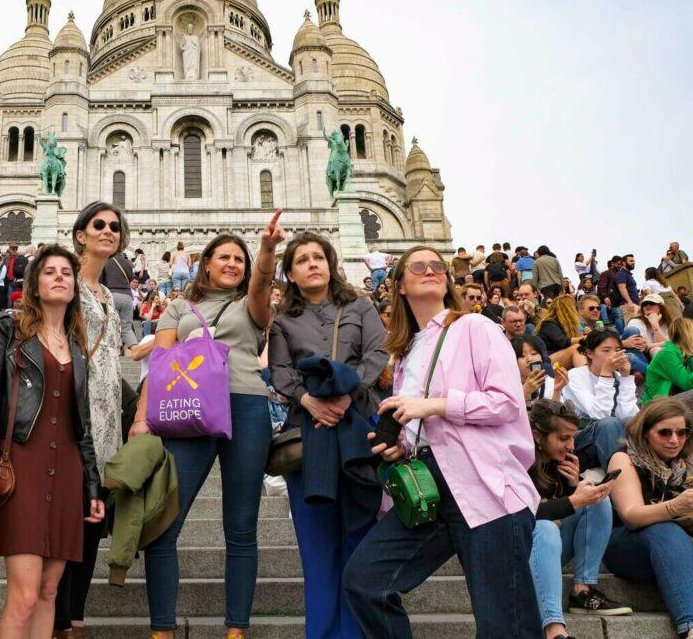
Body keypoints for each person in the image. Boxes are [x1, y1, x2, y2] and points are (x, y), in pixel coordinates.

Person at [343, 245, 541, 638]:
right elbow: (423, 423)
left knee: (506, 627)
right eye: (419, 266)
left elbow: (506, 403)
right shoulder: (405, 353)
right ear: (400, 285)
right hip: (429, 485)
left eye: (438, 265)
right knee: (365, 581)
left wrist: (433, 405)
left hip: (486, 483)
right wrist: (402, 444)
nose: (432, 270)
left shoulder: (475, 326)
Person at [132, 212, 285, 638]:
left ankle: (236, 630)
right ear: (207, 264)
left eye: (239, 258)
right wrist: (142, 418)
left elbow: (261, 283)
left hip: (245, 406)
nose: (233, 263)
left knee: (241, 527)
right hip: (188, 408)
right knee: (163, 525)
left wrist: (267, 250)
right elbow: (160, 363)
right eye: (224, 257)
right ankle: (162, 630)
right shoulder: (179, 306)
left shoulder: (251, 303)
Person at [0, 244, 104, 638]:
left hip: (67, 472)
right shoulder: (7, 329)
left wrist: (92, 486)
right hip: (23, 464)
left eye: (67, 272)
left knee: (49, 592)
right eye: (49, 271)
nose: (59, 277)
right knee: (25, 595)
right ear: (34, 283)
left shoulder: (78, 346)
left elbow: (83, 424)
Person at [269, 231, 389, 639]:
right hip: (309, 432)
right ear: (290, 273)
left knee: (359, 536)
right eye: (302, 260)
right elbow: (281, 372)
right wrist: (309, 402)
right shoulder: (282, 320)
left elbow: (377, 353)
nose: (312, 264)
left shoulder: (360, 304)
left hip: (359, 425)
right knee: (317, 546)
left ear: (330, 263)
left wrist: (345, 396)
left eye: (318, 257)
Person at [54, 202, 131, 636]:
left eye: (114, 227)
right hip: (71, 422)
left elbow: (110, 363)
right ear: (80, 234)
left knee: (91, 525)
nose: (108, 231)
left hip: (106, 427)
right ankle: (59, 621)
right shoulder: (64, 284)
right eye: (98, 224)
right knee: (67, 528)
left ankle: (75, 621)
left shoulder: (108, 297)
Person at [527, 400, 629, 639]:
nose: (571, 446)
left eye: (573, 437)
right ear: (538, 437)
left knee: (597, 501)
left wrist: (574, 486)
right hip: (515, 555)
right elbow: (521, 518)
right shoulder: (518, 461)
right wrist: (573, 500)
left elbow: (564, 508)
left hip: (547, 551)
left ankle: (583, 591)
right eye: (564, 438)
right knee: (544, 528)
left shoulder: (560, 462)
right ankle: (554, 629)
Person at [604, 398, 693, 639]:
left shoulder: (683, 463)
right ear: (645, 431)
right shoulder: (624, 459)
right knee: (665, 529)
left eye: (682, 433)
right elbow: (631, 515)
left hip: (674, 550)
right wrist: (675, 506)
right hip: (623, 545)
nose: (675, 440)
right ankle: (690, 625)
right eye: (665, 432)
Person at [562, 329, 637, 469]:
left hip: (613, 433)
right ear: (589, 353)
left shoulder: (618, 377)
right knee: (609, 423)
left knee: (635, 422)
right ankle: (621, 472)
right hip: (582, 436)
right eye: (606, 350)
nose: (613, 355)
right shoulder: (575, 376)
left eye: (617, 350)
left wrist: (626, 378)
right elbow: (600, 415)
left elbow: (628, 416)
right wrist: (606, 375)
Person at [643, 317, 693, 402]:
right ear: (687, 334)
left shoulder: (685, 352)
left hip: (673, 397)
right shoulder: (667, 354)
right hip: (658, 404)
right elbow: (687, 383)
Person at [100, 251, 139, 351]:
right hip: (127, 297)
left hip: (112, 295)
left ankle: (115, 351)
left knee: (111, 326)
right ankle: (135, 350)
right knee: (127, 328)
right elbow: (131, 278)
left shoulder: (106, 261)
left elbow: (100, 281)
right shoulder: (128, 263)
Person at [513, 335, 566, 407]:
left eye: (534, 353)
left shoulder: (550, 382)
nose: (529, 359)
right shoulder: (508, 387)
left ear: (542, 358)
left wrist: (557, 391)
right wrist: (526, 393)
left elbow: (556, 414)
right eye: (522, 356)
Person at [536, 295, 586, 369]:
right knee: (576, 348)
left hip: (557, 357)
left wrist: (583, 335)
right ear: (568, 309)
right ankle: (583, 375)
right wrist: (583, 338)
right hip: (546, 360)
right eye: (573, 307)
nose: (575, 310)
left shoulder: (567, 324)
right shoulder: (549, 323)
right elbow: (562, 341)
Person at [627, 293, 672, 361]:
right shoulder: (635, 322)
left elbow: (668, 347)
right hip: (640, 357)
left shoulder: (670, 324)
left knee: (656, 350)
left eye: (652, 303)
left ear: (661, 307)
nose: (648, 306)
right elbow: (639, 346)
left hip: (663, 356)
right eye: (645, 304)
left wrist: (655, 324)